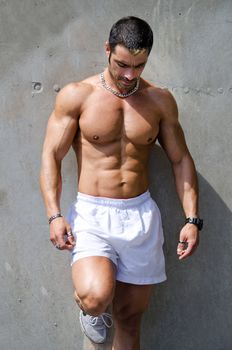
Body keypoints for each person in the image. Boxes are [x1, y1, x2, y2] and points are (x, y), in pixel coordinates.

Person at [40, 16, 203, 350]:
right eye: (122, 64)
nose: (130, 74)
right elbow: (50, 157)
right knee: (96, 296)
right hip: (93, 215)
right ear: (107, 50)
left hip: (140, 215)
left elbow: (180, 159)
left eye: (139, 66)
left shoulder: (159, 100)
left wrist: (192, 218)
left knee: (130, 318)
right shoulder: (77, 96)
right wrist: (54, 214)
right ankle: (92, 311)